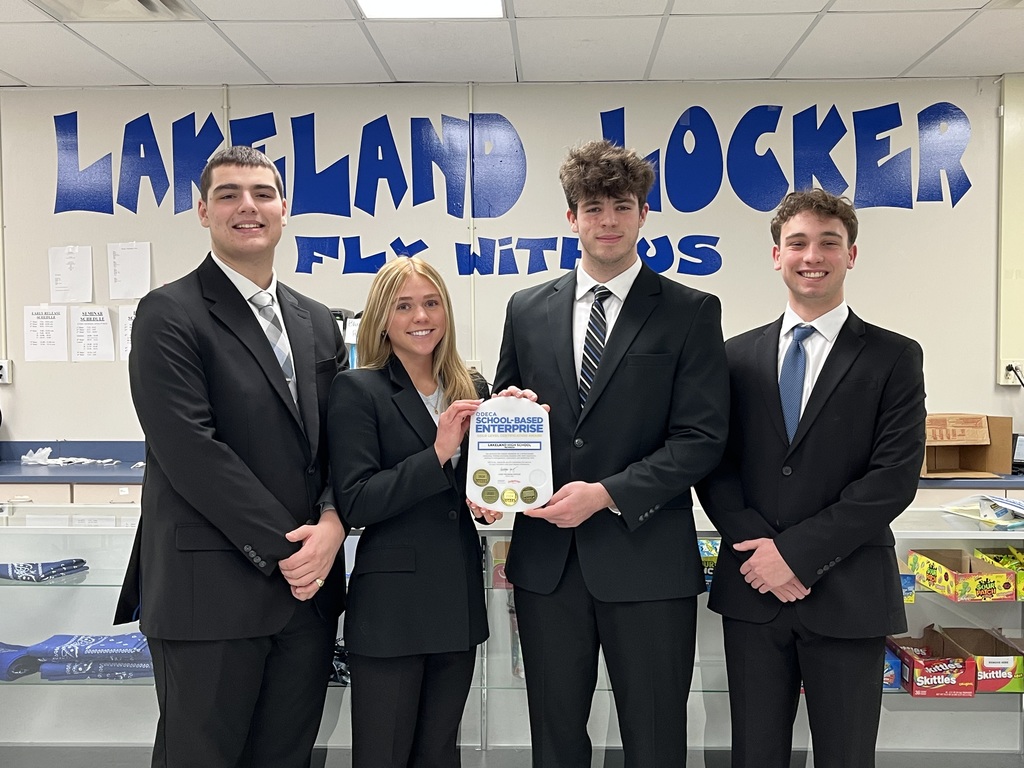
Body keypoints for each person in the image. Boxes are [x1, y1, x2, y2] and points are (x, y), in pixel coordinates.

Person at [489, 139, 730, 767]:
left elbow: (701, 438)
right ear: (571, 218)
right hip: (548, 566)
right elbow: (505, 411)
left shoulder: (690, 312)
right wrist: (500, 449)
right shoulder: (527, 309)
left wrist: (607, 495)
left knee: (653, 736)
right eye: (592, 207)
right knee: (555, 735)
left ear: (643, 213)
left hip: (647, 560)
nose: (608, 221)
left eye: (621, 206)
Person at [114, 145, 348, 768]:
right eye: (229, 194)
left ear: (284, 208)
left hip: (306, 599)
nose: (248, 206)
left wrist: (333, 520)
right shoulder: (168, 313)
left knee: (286, 756)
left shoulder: (318, 321)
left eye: (262, 194)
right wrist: (295, 548)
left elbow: (341, 443)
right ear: (202, 211)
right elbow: (191, 450)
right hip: (210, 593)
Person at [696, 189, 926, 768]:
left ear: (852, 255)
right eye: (797, 242)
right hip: (753, 590)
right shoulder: (732, 357)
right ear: (776, 255)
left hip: (849, 591)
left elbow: (892, 479)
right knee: (754, 752)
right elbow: (714, 464)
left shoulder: (894, 357)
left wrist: (794, 556)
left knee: (847, 754)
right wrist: (760, 554)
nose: (812, 255)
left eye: (829, 242)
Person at [328, 256, 491, 768]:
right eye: (404, 306)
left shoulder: (472, 389)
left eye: (431, 302)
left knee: (440, 754)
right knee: (384, 754)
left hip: (457, 599)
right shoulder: (358, 390)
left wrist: (502, 479)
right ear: (382, 319)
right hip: (392, 610)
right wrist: (437, 453)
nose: (421, 316)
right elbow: (356, 501)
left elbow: (476, 490)